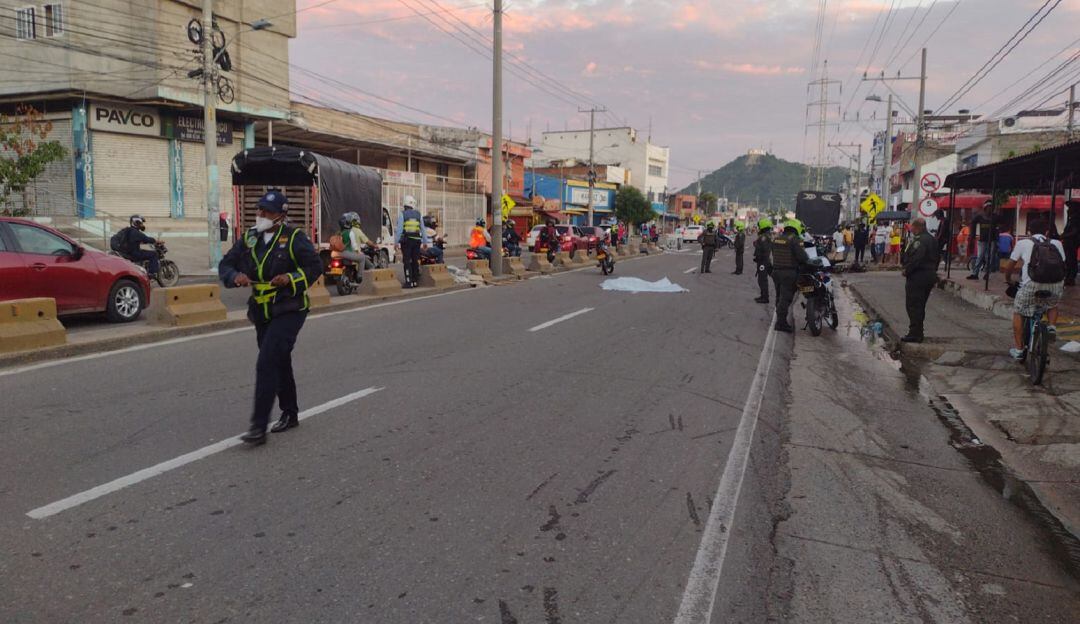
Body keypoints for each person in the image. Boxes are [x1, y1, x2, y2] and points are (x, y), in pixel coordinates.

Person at [219, 190, 322, 445]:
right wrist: (234, 277)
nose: (261, 215)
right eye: (259, 210)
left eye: (267, 211)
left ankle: (258, 427)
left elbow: (314, 267)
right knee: (279, 361)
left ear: (281, 215)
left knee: (266, 363)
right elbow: (225, 264)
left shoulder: (294, 238)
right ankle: (290, 412)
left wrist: (290, 278)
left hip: (289, 308)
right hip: (262, 311)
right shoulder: (250, 239)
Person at [1005, 217, 1067, 360]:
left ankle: (1019, 350)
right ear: (1046, 231)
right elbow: (1063, 264)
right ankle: (1051, 326)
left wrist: (1008, 279)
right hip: (1055, 283)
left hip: (1031, 284)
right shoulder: (1056, 243)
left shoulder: (1023, 243)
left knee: (1018, 311)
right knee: (1053, 304)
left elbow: (1010, 266)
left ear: (1028, 232)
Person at [900, 218, 940, 343]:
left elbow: (916, 259)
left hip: (918, 276)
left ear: (918, 227)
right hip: (929, 275)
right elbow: (937, 258)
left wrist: (907, 270)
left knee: (913, 305)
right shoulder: (932, 239)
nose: (911, 230)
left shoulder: (920, 241)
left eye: (912, 227)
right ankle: (918, 332)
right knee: (920, 305)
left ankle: (915, 333)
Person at [770, 219, 811, 333]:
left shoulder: (777, 239)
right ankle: (781, 323)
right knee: (786, 299)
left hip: (776, 271)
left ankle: (779, 319)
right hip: (789, 273)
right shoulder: (794, 240)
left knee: (779, 297)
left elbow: (773, 253)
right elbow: (803, 257)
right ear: (796, 228)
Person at [395, 196, 429, 288]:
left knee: (407, 261)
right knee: (415, 261)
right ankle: (415, 281)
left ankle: (408, 282)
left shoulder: (403, 214)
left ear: (405, 205)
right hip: (417, 241)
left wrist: (396, 243)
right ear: (413, 204)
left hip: (406, 241)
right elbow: (423, 229)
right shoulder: (419, 215)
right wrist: (425, 242)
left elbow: (399, 230)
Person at [114, 215, 160, 279]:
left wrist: (141, 242)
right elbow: (146, 239)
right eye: (141, 223)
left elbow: (134, 241)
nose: (142, 224)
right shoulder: (136, 232)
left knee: (144, 252)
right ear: (136, 222)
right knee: (154, 254)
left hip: (128, 252)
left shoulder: (129, 230)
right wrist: (155, 241)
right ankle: (152, 274)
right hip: (134, 254)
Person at [967, 202, 995, 280]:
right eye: (988, 207)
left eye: (991, 207)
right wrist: (973, 234)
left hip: (992, 240)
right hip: (982, 239)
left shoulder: (995, 217)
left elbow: (1003, 223)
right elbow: (972, 223)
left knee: (989, 257)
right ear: (985, 209)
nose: (990, 209)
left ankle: (987, 274)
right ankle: (975, 274)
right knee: (979, 256)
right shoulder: (980, 217)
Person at [753, 218, 773, 304]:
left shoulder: (764, 237)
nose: (759, 228)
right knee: (762, 279)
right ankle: (763, 296)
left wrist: (757, 244)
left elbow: (764, 249)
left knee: (762, 280)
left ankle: (765, 297)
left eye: (760, 226)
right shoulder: (767, 235)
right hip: (764, 260)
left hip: (763, 261)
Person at [1062, 200, 1079, 286]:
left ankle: (1070, 278)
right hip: (1069, 243)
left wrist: (1064, 236)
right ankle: (1069, 277)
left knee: (1071, 260)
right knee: (1069, 260)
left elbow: (1074, 232)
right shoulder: (1071, 219)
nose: (1068, 210)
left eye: (1070, 208)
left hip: (1071, 243)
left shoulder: (1076, 219)